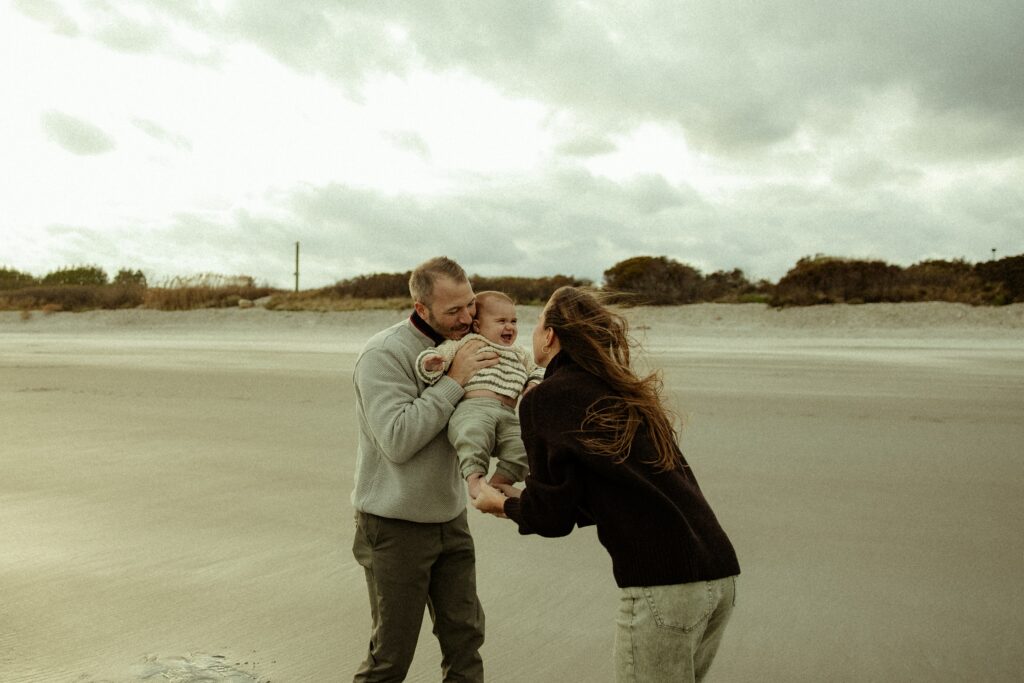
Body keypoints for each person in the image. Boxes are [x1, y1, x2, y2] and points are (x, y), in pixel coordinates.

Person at [473, 286, 741, 683]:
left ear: (549, 336)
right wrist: (524, 497)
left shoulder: (546, 397)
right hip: (719, 574)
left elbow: (551, 519)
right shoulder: (625, 390)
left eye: (537, 324)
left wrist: (501, 505)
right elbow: (619, 485)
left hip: (663, 583)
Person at [351, 256, 497, 682]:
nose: (467, 317)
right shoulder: (384, 354)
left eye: (470, 305)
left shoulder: (469, 342)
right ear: (421, 308)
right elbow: (397, 440)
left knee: (466, 641)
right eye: (454, 311)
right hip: (392, 526)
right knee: (391, 656)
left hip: (450, 520)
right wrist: (454, 380)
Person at [415, 290, 545, 499]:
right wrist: (431, 363)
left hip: (509, 415)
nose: (509, 326)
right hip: (474, 409)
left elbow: (538, 369)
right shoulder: (468, 342)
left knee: (526, 447)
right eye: (501, 321)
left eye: (513, 321)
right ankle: (475, 480)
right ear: (477, 326)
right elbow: (440, 357)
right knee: (472, 436)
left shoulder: (519, 352)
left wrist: (534, 383)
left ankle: (498, 483)